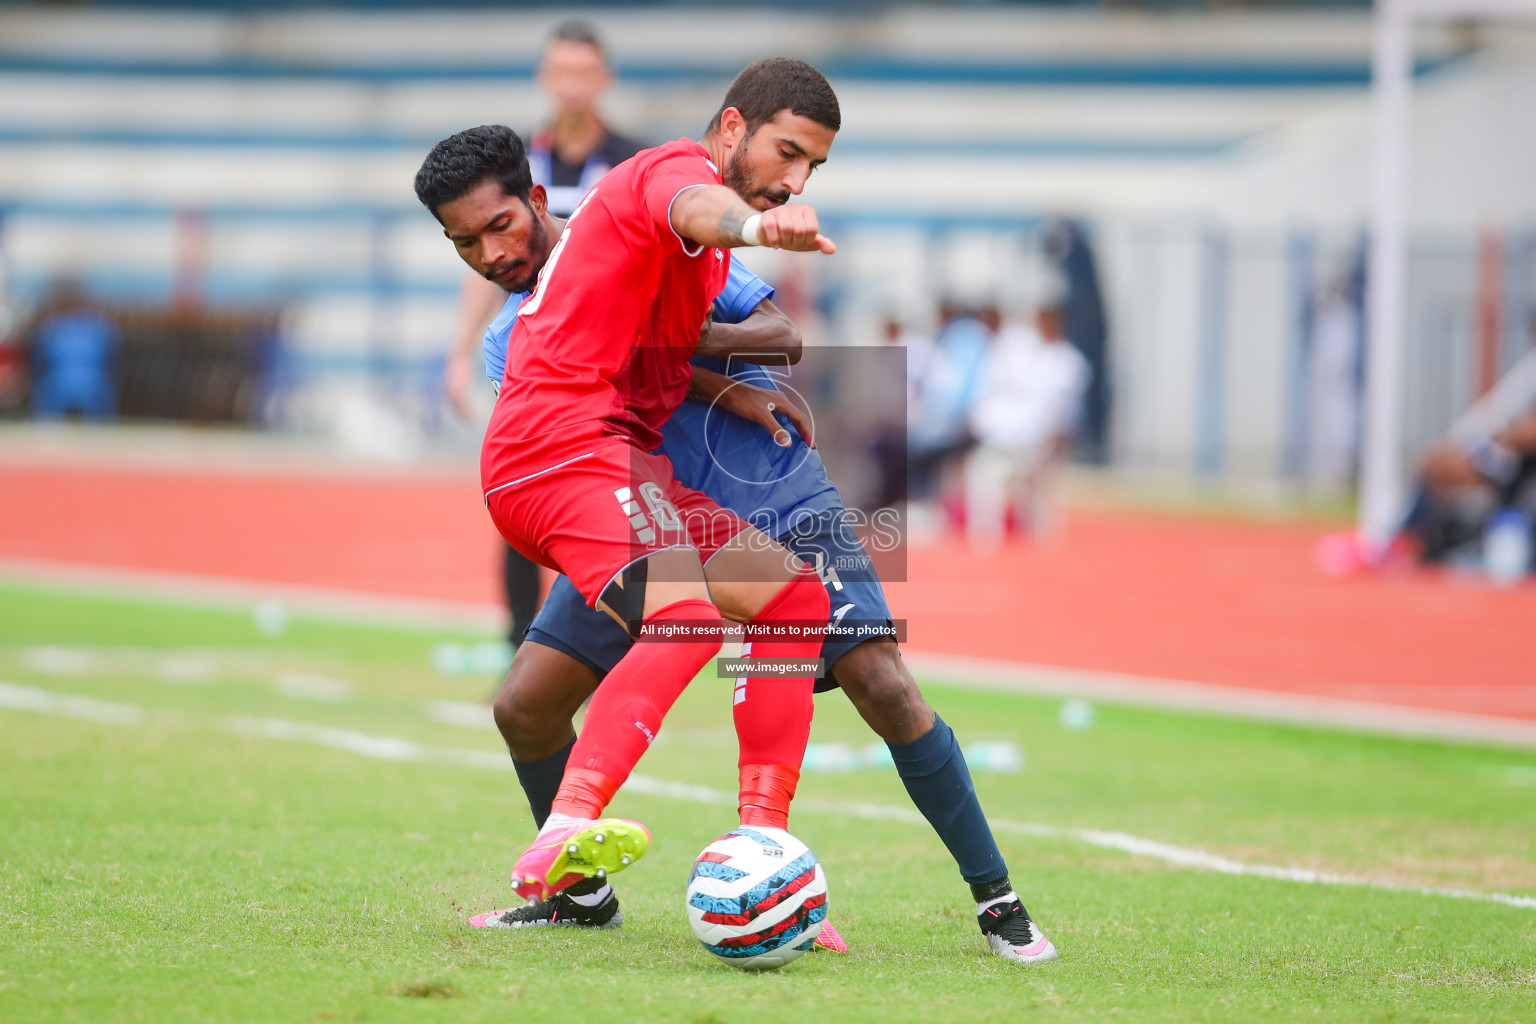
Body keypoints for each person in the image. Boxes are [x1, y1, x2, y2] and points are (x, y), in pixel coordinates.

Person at [422, 141, 1057, 962]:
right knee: (526, 706)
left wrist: (700, 349)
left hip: (770, 493)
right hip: (635, 500)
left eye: (500, 226)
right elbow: (590, 399)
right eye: (466, 243)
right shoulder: (510, 336)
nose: (492, 254)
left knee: (882, 682)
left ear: (537, 199)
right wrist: (704, 370)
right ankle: (581, 899)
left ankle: (995, 899)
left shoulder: (653, 236)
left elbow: (782, 333)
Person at [414, 58, 840, 910]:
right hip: (553, 456)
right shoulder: (664, 174)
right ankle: (565, 832)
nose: (794, 180)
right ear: (730, 133)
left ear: (536, 200)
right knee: (680, 618)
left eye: (810, 168)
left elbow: (702, 334)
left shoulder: (682, 259)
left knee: (793, 602)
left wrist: (728, 387)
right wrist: (759, 231)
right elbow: (696, 209)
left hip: (621, 456)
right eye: (786, 154)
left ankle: (766, 847)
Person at [443, 20, 646, 651]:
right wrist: (459, 354)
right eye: (562, 71)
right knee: (521, 498)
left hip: (607, 356)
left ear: (604, 79)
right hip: (528, 350)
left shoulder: (630, 159)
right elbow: (488, 263)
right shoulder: (517, 161)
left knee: (612, 501)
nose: (573, 84)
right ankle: (520, 649)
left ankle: (608, 648)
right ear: (544, 78)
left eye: (585, 71)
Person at [965, 304, 1090, 548]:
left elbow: (1062, 406)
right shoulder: (1024, 351)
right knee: (986, 478)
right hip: (1009, 434)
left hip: (1036, 435)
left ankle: (1039, 533)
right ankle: (989, 531)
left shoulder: (1065, 359)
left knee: (1038, 488)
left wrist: (1056, 436)